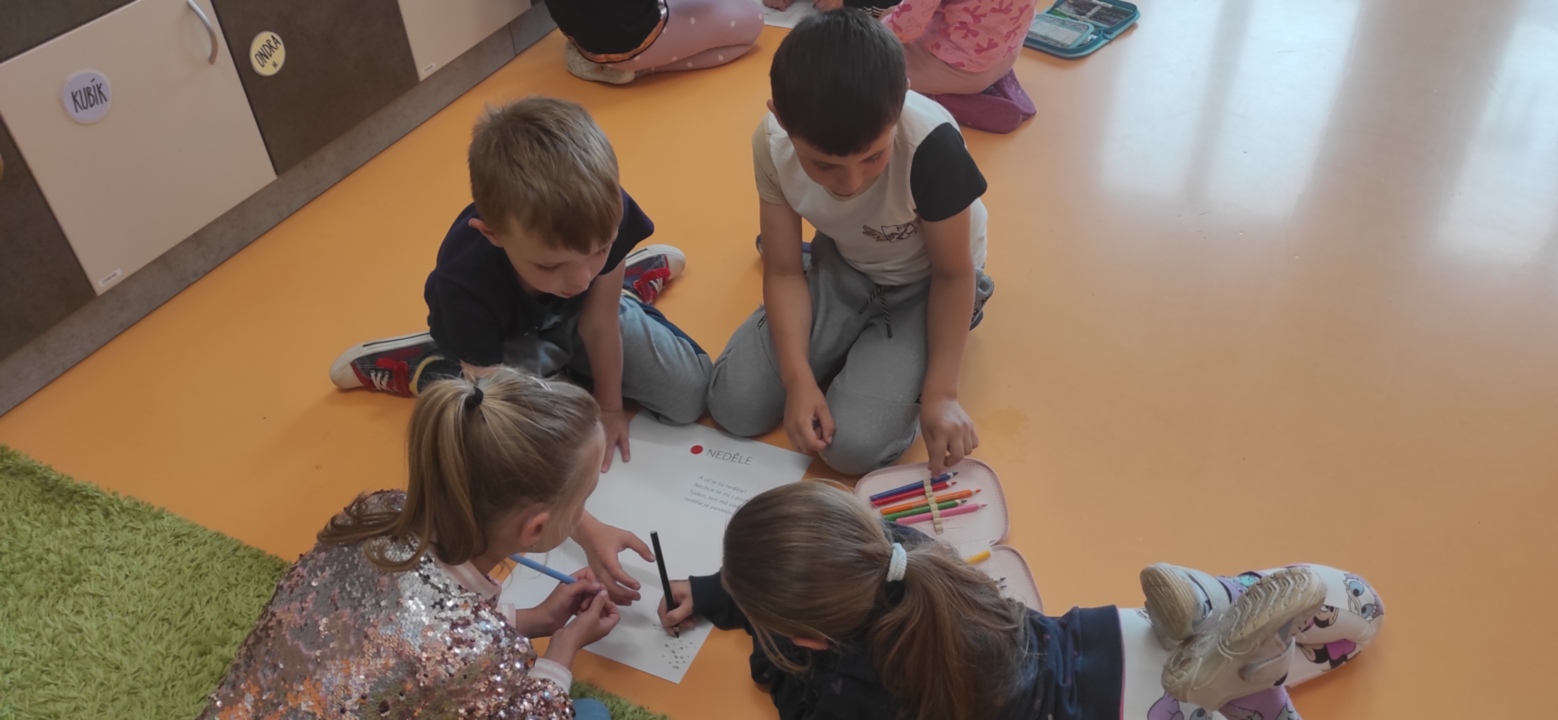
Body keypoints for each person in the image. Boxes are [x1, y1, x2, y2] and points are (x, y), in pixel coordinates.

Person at [328, 97, 710, 602]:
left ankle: (623, 281)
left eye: (600, 249)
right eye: (549, 266)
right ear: (493, 235)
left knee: (687, 395)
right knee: (518, 428)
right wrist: (586, 527)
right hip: (503, 344)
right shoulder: (463, 283)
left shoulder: (598, 217)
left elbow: (598, 322)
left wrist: (611, 408)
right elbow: (510, 435)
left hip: (579, 319)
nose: (578, 277)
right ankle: (433, 361)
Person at [659, 482, 1386, 720]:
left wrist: (758, 643)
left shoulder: (846, 691)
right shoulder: (907, 554)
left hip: (1124, 712)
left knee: (1229, 700)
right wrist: (729, 590)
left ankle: (1254, 697)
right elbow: (815, 570)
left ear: (808, 640)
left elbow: (791, 691)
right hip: (1116, 638)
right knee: (1363, 610)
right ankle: (1211, 601)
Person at [201, 371, 622, 719]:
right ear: (535, 529)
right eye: (583, 499)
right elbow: (464, 660)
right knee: (588, 713)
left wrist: (534, 619)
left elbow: (399, 633)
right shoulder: (479, 651)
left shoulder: (380, 511)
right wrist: (562, 650)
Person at [706, 10, 995, 476]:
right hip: (845, 261)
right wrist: (798, 379)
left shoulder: (932, 146)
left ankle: (909, 336)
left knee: (852, 449)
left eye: (873, 157)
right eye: (824, 166)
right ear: (780, 117)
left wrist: (942, 394)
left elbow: (953, 273)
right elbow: (783, 269)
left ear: (900, 102)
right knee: (733, 405)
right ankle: (836, 324)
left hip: (928, 284)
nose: (851, 183)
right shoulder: (771, 143)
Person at [880, 0, 1038, 133]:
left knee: (881, 62)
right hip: (1005, 53)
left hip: (961, 71)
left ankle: (942, 99)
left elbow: (903, 28)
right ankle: (998, 77)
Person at [549, 0, 764, 85]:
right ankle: (641, 68)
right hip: (629, 38)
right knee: (752, 19)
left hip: (577, 29)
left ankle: (621, 64)